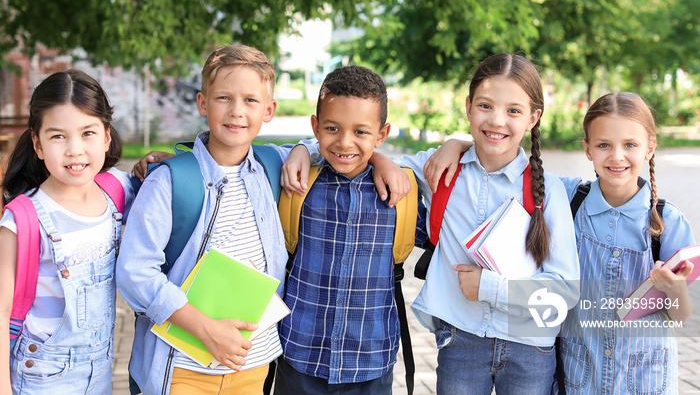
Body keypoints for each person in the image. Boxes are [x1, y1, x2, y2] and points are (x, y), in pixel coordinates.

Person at [283, 53, 581, 394]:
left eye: (513, 110)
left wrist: (490, 287)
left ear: (533, 117)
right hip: (461, 342)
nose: (497, 120)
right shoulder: (437, 170)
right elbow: (356, 151)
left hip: (531, 347)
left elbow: (566, 290)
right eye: (485, 106)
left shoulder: (548, 189)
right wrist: (304, 149)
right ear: (468, 107)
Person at [426, 91, 696, 394]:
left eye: (630, 145)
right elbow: (508, 157)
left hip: (643, 377)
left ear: (650, 148)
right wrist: (455, 145)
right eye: (604, 145)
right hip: (579, 372)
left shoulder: (667, 222)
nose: (617, 156)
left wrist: (674, 291)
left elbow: (681, 314)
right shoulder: (566, 198)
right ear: (587, 149)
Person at [115, 44, 288, 395]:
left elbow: (329, 145)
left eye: (251, 101)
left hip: (253, 364)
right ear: (203, 103)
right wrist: (206, 329)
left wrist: (382, 161)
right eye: (224, 98)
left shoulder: (274, 166)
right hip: (182, 368)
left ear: (269, 110)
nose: (237, 111)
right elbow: (134, 272)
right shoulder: (168, 180)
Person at [272, 65, 428, 395]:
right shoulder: (296, 184)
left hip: (370, 360)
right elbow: (238, 157)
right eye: (332, 128)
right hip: (299, 352)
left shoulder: (400, 193)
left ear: (382, 135)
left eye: (361, 132)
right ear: (315, 126)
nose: (345, 142)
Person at [0, 70, 136, 394]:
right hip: (39, 378)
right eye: (58, 136)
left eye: (87, 133)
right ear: (38, 144)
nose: (74, 150)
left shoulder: (118, 189)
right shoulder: (21, 220)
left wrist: (159, 162)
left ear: (106, 136)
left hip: (101, 371)